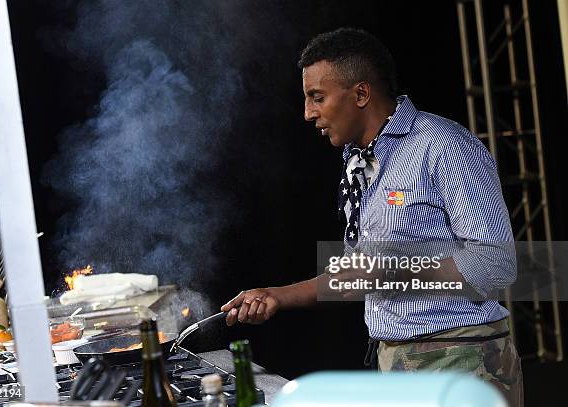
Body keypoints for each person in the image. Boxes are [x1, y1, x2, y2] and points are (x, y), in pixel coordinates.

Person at [221, 28, 523, 406]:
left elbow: (497, 263)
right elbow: (356, 276)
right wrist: (277, 296)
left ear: (361, 94)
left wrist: (391, 271)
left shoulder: (444, 146)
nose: (308, 113)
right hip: (392, 361)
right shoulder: (355, 162)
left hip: (461, 361)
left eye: (317, 98)